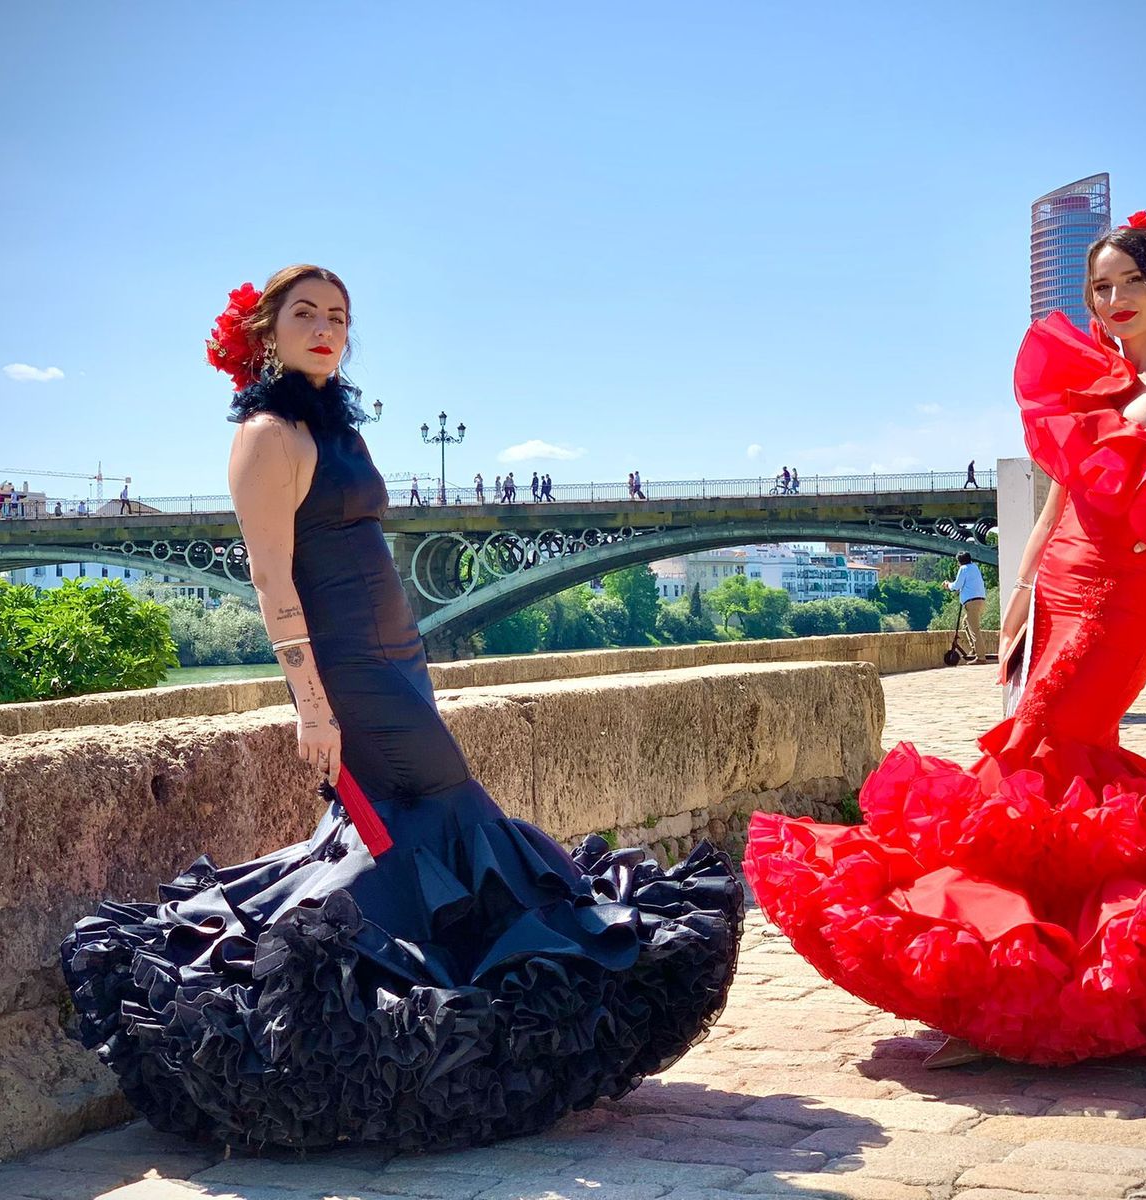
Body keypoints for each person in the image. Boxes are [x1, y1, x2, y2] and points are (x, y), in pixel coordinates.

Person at [61, 266, 741, 1150]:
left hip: (399, 660)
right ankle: (375, 1031)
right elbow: (272, 580)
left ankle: (422, 1044)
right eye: (304, 313)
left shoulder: (328, 425)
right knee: (454, 812)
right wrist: (311, 705)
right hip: (350, 670)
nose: (324, 328)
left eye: (338, 316)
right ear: (264, 331)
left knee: (408, 832)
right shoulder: (268, 436)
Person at [745, 210, 1146, 1068]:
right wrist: (1021, 588)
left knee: (1046, 747)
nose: (1114, 297)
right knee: (1050, 773)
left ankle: (1026, 973)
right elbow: (1064, 495)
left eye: (1131, 281)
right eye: (1100, 286)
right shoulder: (1093, 376)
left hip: (1128, 596)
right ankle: (1031, 970)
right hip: (1059, 580)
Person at [943, 550, 985, 661]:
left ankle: (980, 657)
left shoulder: (963, 569)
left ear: (959, 562)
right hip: (979, 600)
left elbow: (957, 585)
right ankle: (974, 649)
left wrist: (948, 585)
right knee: (966, 623)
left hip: (971, 602)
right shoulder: (975, 567)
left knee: (974, 629)